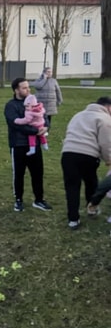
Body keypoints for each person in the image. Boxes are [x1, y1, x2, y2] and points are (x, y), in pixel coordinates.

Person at [60, 96, 111, 229]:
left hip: (68, 153)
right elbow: (106, 143)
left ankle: (73, 219)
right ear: (108, 107)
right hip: (88, 155)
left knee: (72, 187)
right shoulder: (104, 118)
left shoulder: (78, 115)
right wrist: (109, 159)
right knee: (91, 182)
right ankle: (91, 208)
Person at [5, 78, 52, 212]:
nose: (28, 89)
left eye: (28, 87)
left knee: (38, 173)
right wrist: (36, 131)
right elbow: (15, 124)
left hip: (35, 145)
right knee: (19, 174)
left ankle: (39, 200)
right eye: (24, 87)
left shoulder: (34, 102)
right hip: (19, 145)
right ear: (16, 90)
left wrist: (46, 128)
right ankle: (18, 200)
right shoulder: (11, 106)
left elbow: (44, 117)